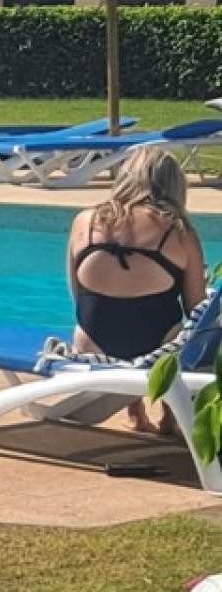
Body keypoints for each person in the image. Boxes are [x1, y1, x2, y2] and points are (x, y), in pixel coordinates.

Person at [68, 148, 208, 433]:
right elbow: (196, 309)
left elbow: (77, 293)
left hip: (93, 343)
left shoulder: (85, 221)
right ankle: (170, 415)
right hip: (157, 349)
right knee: (184, 332)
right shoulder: (179, 232)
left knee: (111, 306)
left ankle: (135, 413)